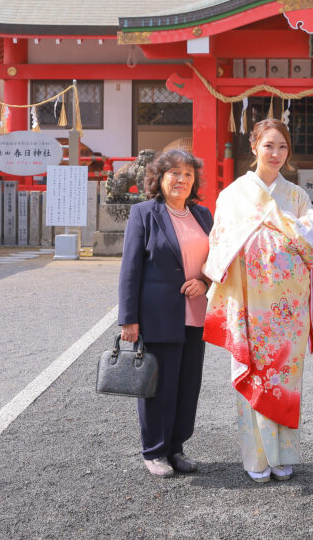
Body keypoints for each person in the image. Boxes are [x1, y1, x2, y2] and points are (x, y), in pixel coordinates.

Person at [202, 119, 313, 484]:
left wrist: (297, 235)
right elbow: (220, 244)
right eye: (268, 145)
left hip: (287, 309)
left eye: (282, 147)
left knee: (286, 380)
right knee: (254, 376)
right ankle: (256, 456)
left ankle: (283, 454)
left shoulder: (297, 196)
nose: (275, 154)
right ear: (255, 146)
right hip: (249, 305)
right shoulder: (233, 194)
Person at [118, 149, 214, 478]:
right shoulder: (145, 213)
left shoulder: (203, 215)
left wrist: (204, 281)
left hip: (195, 315)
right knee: (158, 386)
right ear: (159, 178)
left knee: (188, 385)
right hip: (158, 316)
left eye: (188, 174)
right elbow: (130, 268)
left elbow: (216, 260)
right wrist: (128, 318)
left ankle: (176, 447)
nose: (181, 180)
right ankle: (154, 450)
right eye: (174, 173)